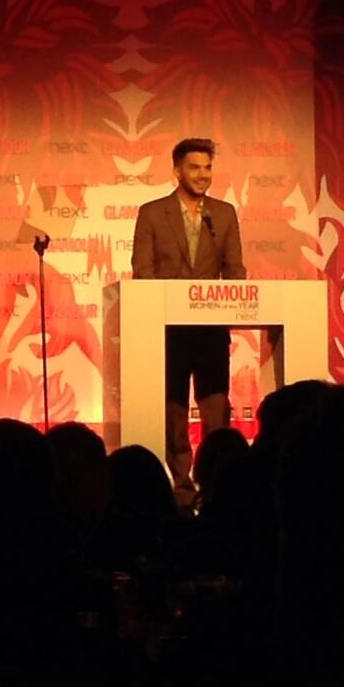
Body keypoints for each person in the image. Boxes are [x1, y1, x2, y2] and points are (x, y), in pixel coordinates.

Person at [132, 138, 245, 501]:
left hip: (211, 330)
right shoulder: (152, 213)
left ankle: (215, 485)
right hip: (169, 332)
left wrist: (236, 302)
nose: (203, 175)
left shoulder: (223, 214)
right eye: (194, 167)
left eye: (207, 167)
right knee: (174, 415)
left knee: (216, 411)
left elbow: (235, 270)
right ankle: (181, 490)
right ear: (177, 171)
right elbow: (143, 272)